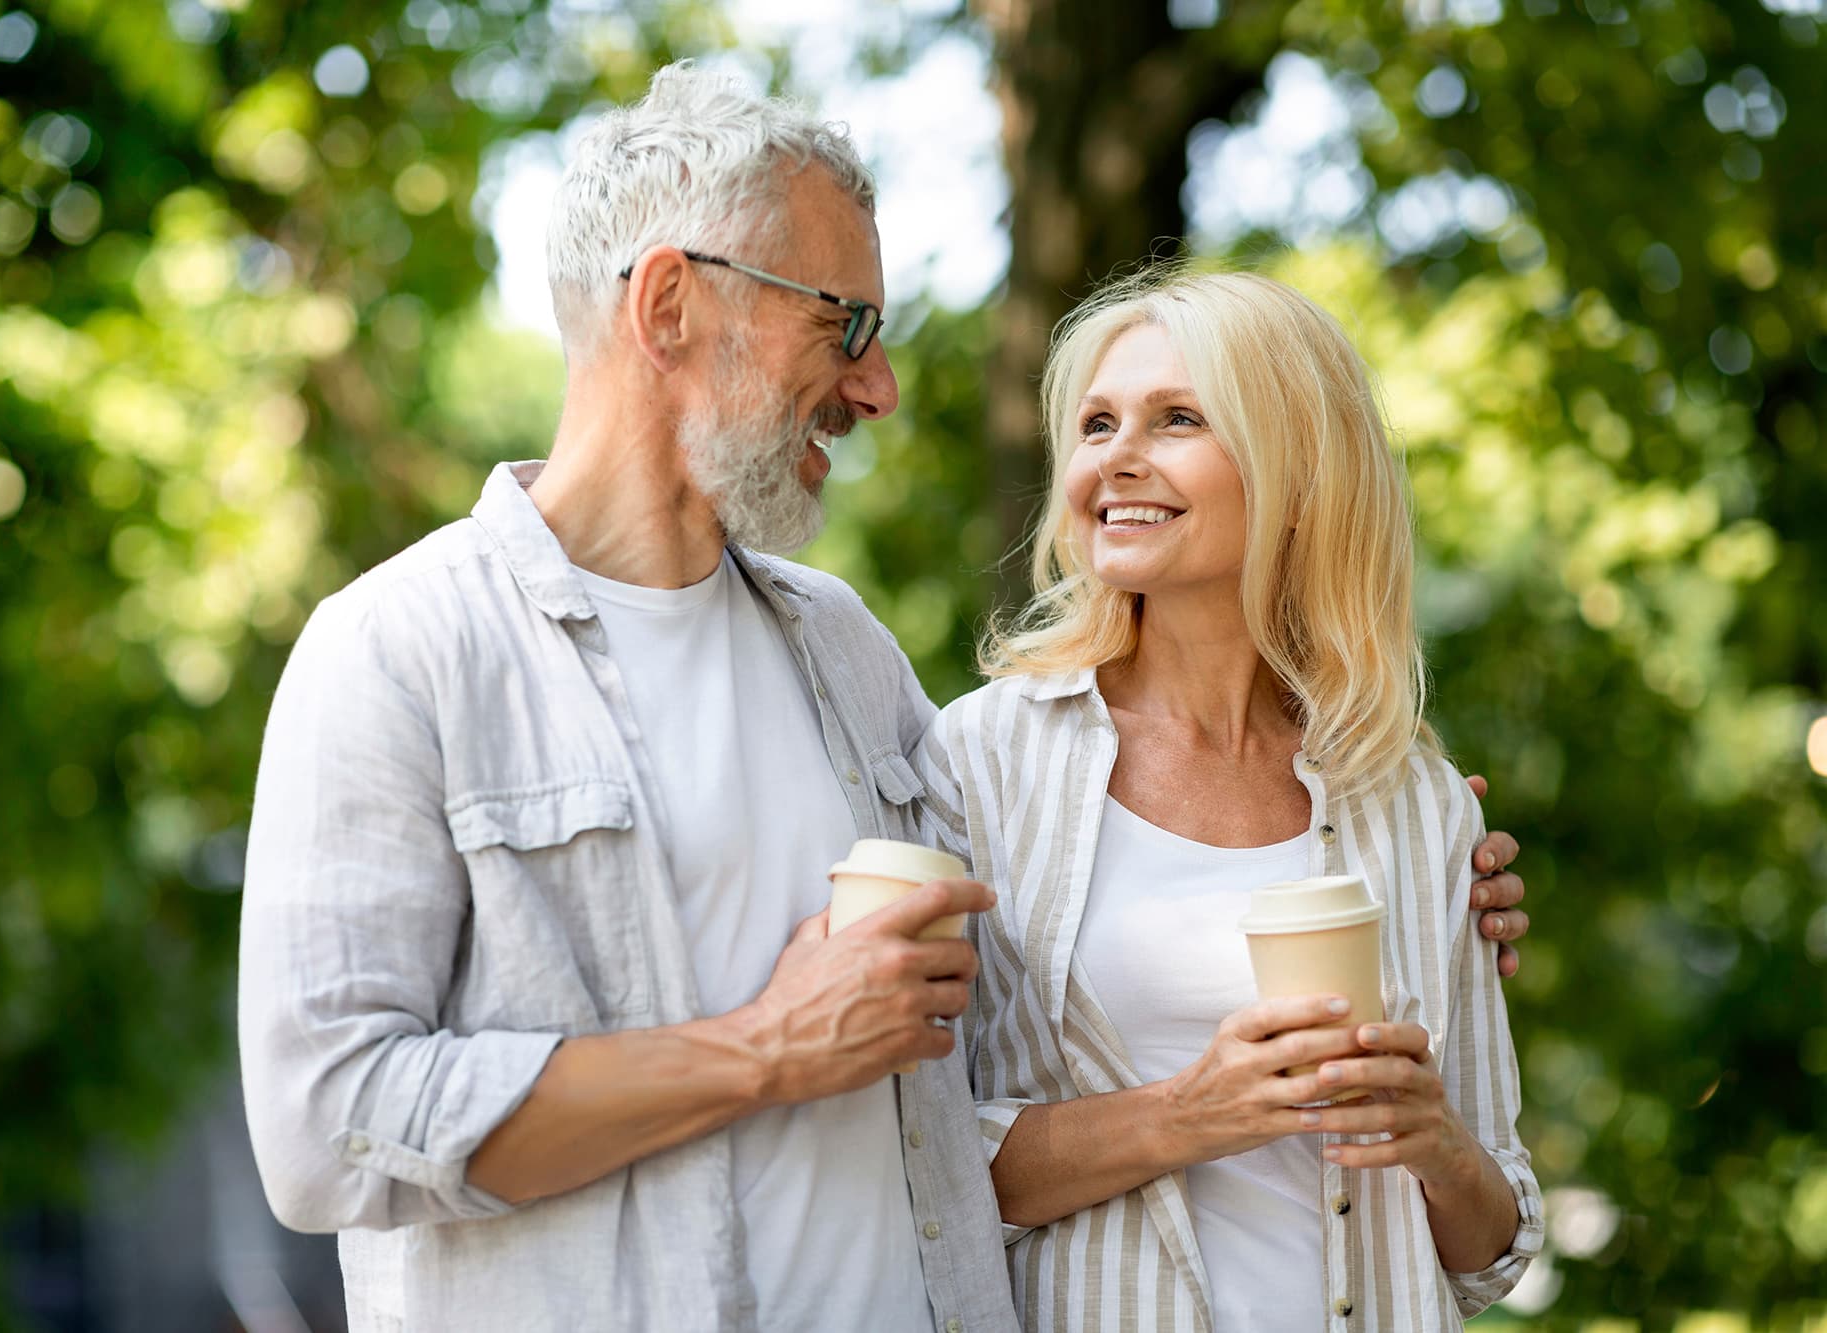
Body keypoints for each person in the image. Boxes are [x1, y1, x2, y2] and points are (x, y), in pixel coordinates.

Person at [236, 63, 1531, 1333]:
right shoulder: (400, 652)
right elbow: (324, 1130)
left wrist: (1430, 870)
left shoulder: (843, 652)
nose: (878, 386)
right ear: (673, 305)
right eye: (842, 323)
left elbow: (1038, 967)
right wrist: (762, 1048)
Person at [912, 268, 1543, 1331]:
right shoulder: (982, 758)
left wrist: (1434, 1140)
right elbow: (912, 1173)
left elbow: (1491, 1252)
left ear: (1298, 470)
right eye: (1097, 422)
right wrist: (1189, 1114)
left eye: (1177, 420)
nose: (1114, 457)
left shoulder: (1417, 803)